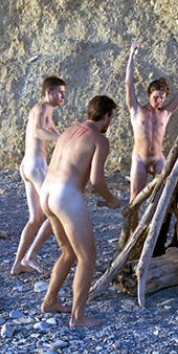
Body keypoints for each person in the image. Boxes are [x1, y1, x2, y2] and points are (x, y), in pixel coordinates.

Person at [39, 96, 123, 328]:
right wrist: (112, 200)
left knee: (68, 251)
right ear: (106, 116)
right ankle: (77, 317)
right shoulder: (99, 139)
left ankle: (50, 301)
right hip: (66, 195)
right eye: (111, 118)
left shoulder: (68, 131)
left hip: (47, 191)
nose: (110, 122)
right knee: (87, 256)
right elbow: (96, 180)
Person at [126, 42, 178, 230]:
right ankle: (132, 240)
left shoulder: (165, 113)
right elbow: (129, 84)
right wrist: (131, 57)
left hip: (158, 159)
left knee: (168, 196)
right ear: (149, 93)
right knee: (135, 200)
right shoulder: (136, 110)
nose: (159, 100)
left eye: (163, 97)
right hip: (140, 160)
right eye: (156, 96)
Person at [11, 76, 66, 275]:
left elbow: (54, 134)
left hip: (29, 165)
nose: (63, 96)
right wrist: (61, 137)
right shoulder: (41, 108)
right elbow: (37, 132)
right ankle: (31, 256)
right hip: (35, 165)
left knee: (36, 218)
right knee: (56, 213)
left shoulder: (46, 112)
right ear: (48, 92)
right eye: (60, 92)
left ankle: (18, 264)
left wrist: (64, 138)